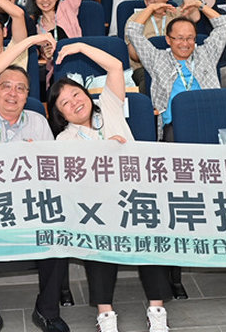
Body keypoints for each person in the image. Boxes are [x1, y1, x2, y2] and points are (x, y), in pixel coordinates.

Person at [47, 42, 172, 332]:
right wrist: (103, 152)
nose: (75, 102)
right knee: (98, 237)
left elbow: (115, 66)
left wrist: (77, 46)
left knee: (149, 233)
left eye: (76, 94)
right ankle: (106, 316)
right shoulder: (63, 141)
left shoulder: (111, 107)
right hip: (98, 204)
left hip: (134, 194)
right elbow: (73, 183)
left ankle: (157, 312)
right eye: (65, 103)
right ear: (61, 115)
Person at [0, 32, 70, 332]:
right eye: (6, 86)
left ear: (28, 95)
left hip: (28, 204)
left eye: (21, 88)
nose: (13, 93)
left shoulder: (37, 120)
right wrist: (30, 41)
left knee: (59, 229)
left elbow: (52, 171)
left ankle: (47, 311)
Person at [127, 0, 226, 138]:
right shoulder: (157, 59)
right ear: (168, 40)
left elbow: (223, 25)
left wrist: (201, 5)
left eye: (190, 38)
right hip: (175, 125)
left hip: (209, 119)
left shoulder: (206, 54)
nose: (185, 44)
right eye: (179, 38)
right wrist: (150, 8)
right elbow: (133, 31)